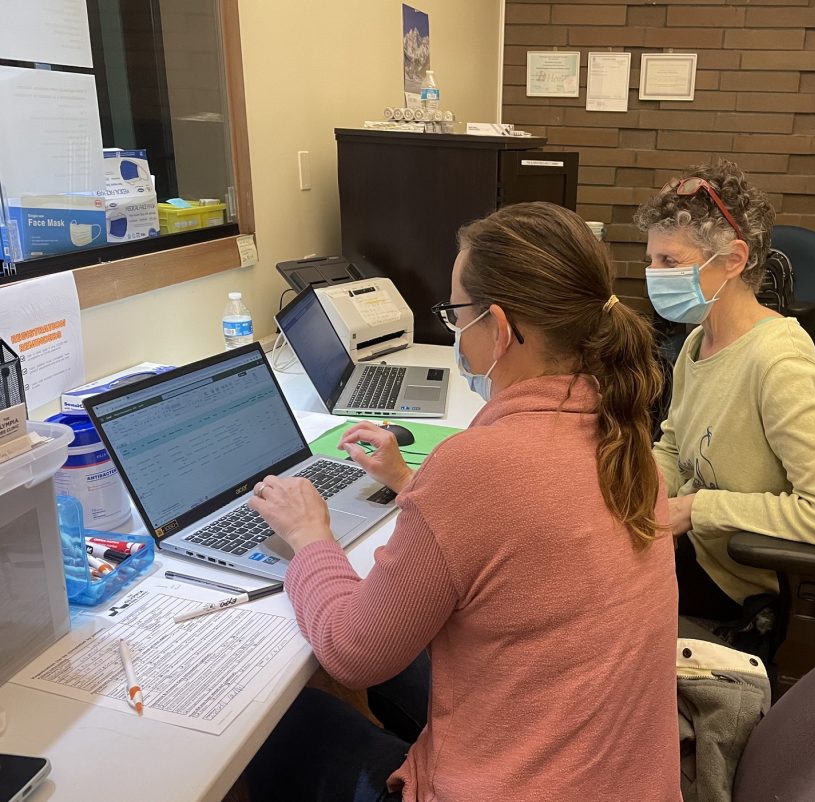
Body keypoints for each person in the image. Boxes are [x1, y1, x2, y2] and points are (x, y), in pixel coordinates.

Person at [245, 202, 683, 802]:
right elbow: (529, 525)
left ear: (498, 330)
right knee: (404, 662)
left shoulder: (477, 467)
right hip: (624, 779)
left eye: (455, 316)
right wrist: (410, 484)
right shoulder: (623, 435)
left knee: (285, 727)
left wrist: (310, 536)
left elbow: (350, 652)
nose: (453, 331)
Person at [634, 160, 815, 621]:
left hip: (740, 579)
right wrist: (641, 491)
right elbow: (675, 444)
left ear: (734, 260)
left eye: (669, 262)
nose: (653, 275)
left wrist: (699, 509)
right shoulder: (698, 342)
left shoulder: (778, 364)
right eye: (651, 261)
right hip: (698, 549)